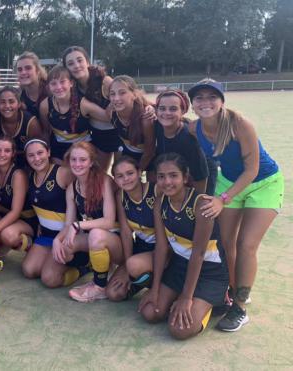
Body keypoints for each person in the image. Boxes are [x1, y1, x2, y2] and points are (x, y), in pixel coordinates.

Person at [187, 79, 284, 332]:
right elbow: (164, 115)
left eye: (212, 97)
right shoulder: (193, 128)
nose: (205, 102)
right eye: (199, 98)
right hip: (229, 181)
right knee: (224, 242)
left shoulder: (241, 125)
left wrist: (222, 199)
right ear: (193, 104)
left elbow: (251, 170)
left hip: (264, 183)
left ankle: (240, 307)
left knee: (246, 244)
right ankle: (232, 289)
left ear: (222, 101)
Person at [138, 153, 229, 340]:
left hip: (210, 272)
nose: (167, 182)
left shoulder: (201, 204)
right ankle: (183, 295)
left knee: (179, 329)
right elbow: (162, 248)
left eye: (173, 175)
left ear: (185, 178)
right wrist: (154, 289)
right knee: (150, 313)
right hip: (180, 267)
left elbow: (198, 254)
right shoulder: (159, 202)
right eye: (161, 176)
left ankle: (213, 303)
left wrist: (186, 299)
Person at [48, 142, 121, 302]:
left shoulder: (104, 181)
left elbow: (109, 221)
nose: (77, 164)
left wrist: (78, 225)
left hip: (116, 242)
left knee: (95, 234)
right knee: (64, 249)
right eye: (73, 159)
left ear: (91, 162)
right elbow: (68, 224)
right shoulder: (72, 188)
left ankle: (99, 287)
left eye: (82, 159)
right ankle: (89, 266)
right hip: (93, 240)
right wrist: (57, 240)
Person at [22, 139, 93, 289]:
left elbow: (79, 203)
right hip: (47, 235)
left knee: (50, 279)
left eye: (40, 153)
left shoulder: (62, 173)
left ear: (48, 152)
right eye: (31, 155)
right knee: (29, 270)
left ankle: (85, 266)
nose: (36, 158)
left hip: (68, 235)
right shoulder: (29, 177)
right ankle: (52, 260)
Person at [39, 65, 111, 163]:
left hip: (84, 145)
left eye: (62, 82)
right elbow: (46, 131)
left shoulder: (83, 104)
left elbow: (107, 117)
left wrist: (116, 101)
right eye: (53, 83)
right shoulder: (45, 105)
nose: (58, 87)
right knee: (60, 172)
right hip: (59, 147)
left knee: (79, 165)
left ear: (71, 83)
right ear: (49, 87)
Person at [62, 46, 117, 168]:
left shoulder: (105, 81)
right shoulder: (71, 88)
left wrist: (149, 108)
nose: (76, 65)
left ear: (87, 62)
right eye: (70, 64)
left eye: (80, 60)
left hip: (119, 133)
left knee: (120, 173)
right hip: (99, 136)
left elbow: (131, 95)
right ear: (67, 69)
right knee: (99, 175)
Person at [111, 156, 158, 300]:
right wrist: (126, 266)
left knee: (134, 266)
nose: (126, 179)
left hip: (164, 249)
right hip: (141, 247)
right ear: (115, 180)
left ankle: (158, 286)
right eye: (120, 176)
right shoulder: (120, 196)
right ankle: (138, 281)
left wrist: (131, 267)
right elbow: (126, 232)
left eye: (130, 173)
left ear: (139, 172)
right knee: (113, 293)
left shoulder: (155, 190)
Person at [0, 135, 37, 257]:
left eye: (7, 151)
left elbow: (16, 212)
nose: (2, 154)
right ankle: (0, 245)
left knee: (7, 235)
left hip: (25, 220)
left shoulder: (18, 175)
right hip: (4, 216)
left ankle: (31, 245)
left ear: (13, 153)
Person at [151, 89, 210, 193]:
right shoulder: (156, 126)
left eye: (173, 109)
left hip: (196, 180)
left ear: (183, 111)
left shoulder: (189, 138)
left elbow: (200, 176)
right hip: (173, 179)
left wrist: (196, 200)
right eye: (162, 108)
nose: (166, 113)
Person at [108, 75, 155, 171]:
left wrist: (138, 171)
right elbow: (119, 141)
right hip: (127, 152)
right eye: (112, 94)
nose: (116, 98)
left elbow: (150, 151)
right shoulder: (111, 112)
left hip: (147, 157)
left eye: (122, 93)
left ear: (134, 95)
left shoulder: (145, 118)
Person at [0, 86, 42, 167]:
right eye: (2, 102)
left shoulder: (31, 123)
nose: (7, 105)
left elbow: (38, 151)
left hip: (26, 165)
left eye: (11, 101)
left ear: (19, 104)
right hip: (1, 163)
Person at [16, 51, 48, 119]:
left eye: (28, 68)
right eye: (19, 69)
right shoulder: (18, 95)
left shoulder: (51, 91)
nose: (23, 72)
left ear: (38, 71)